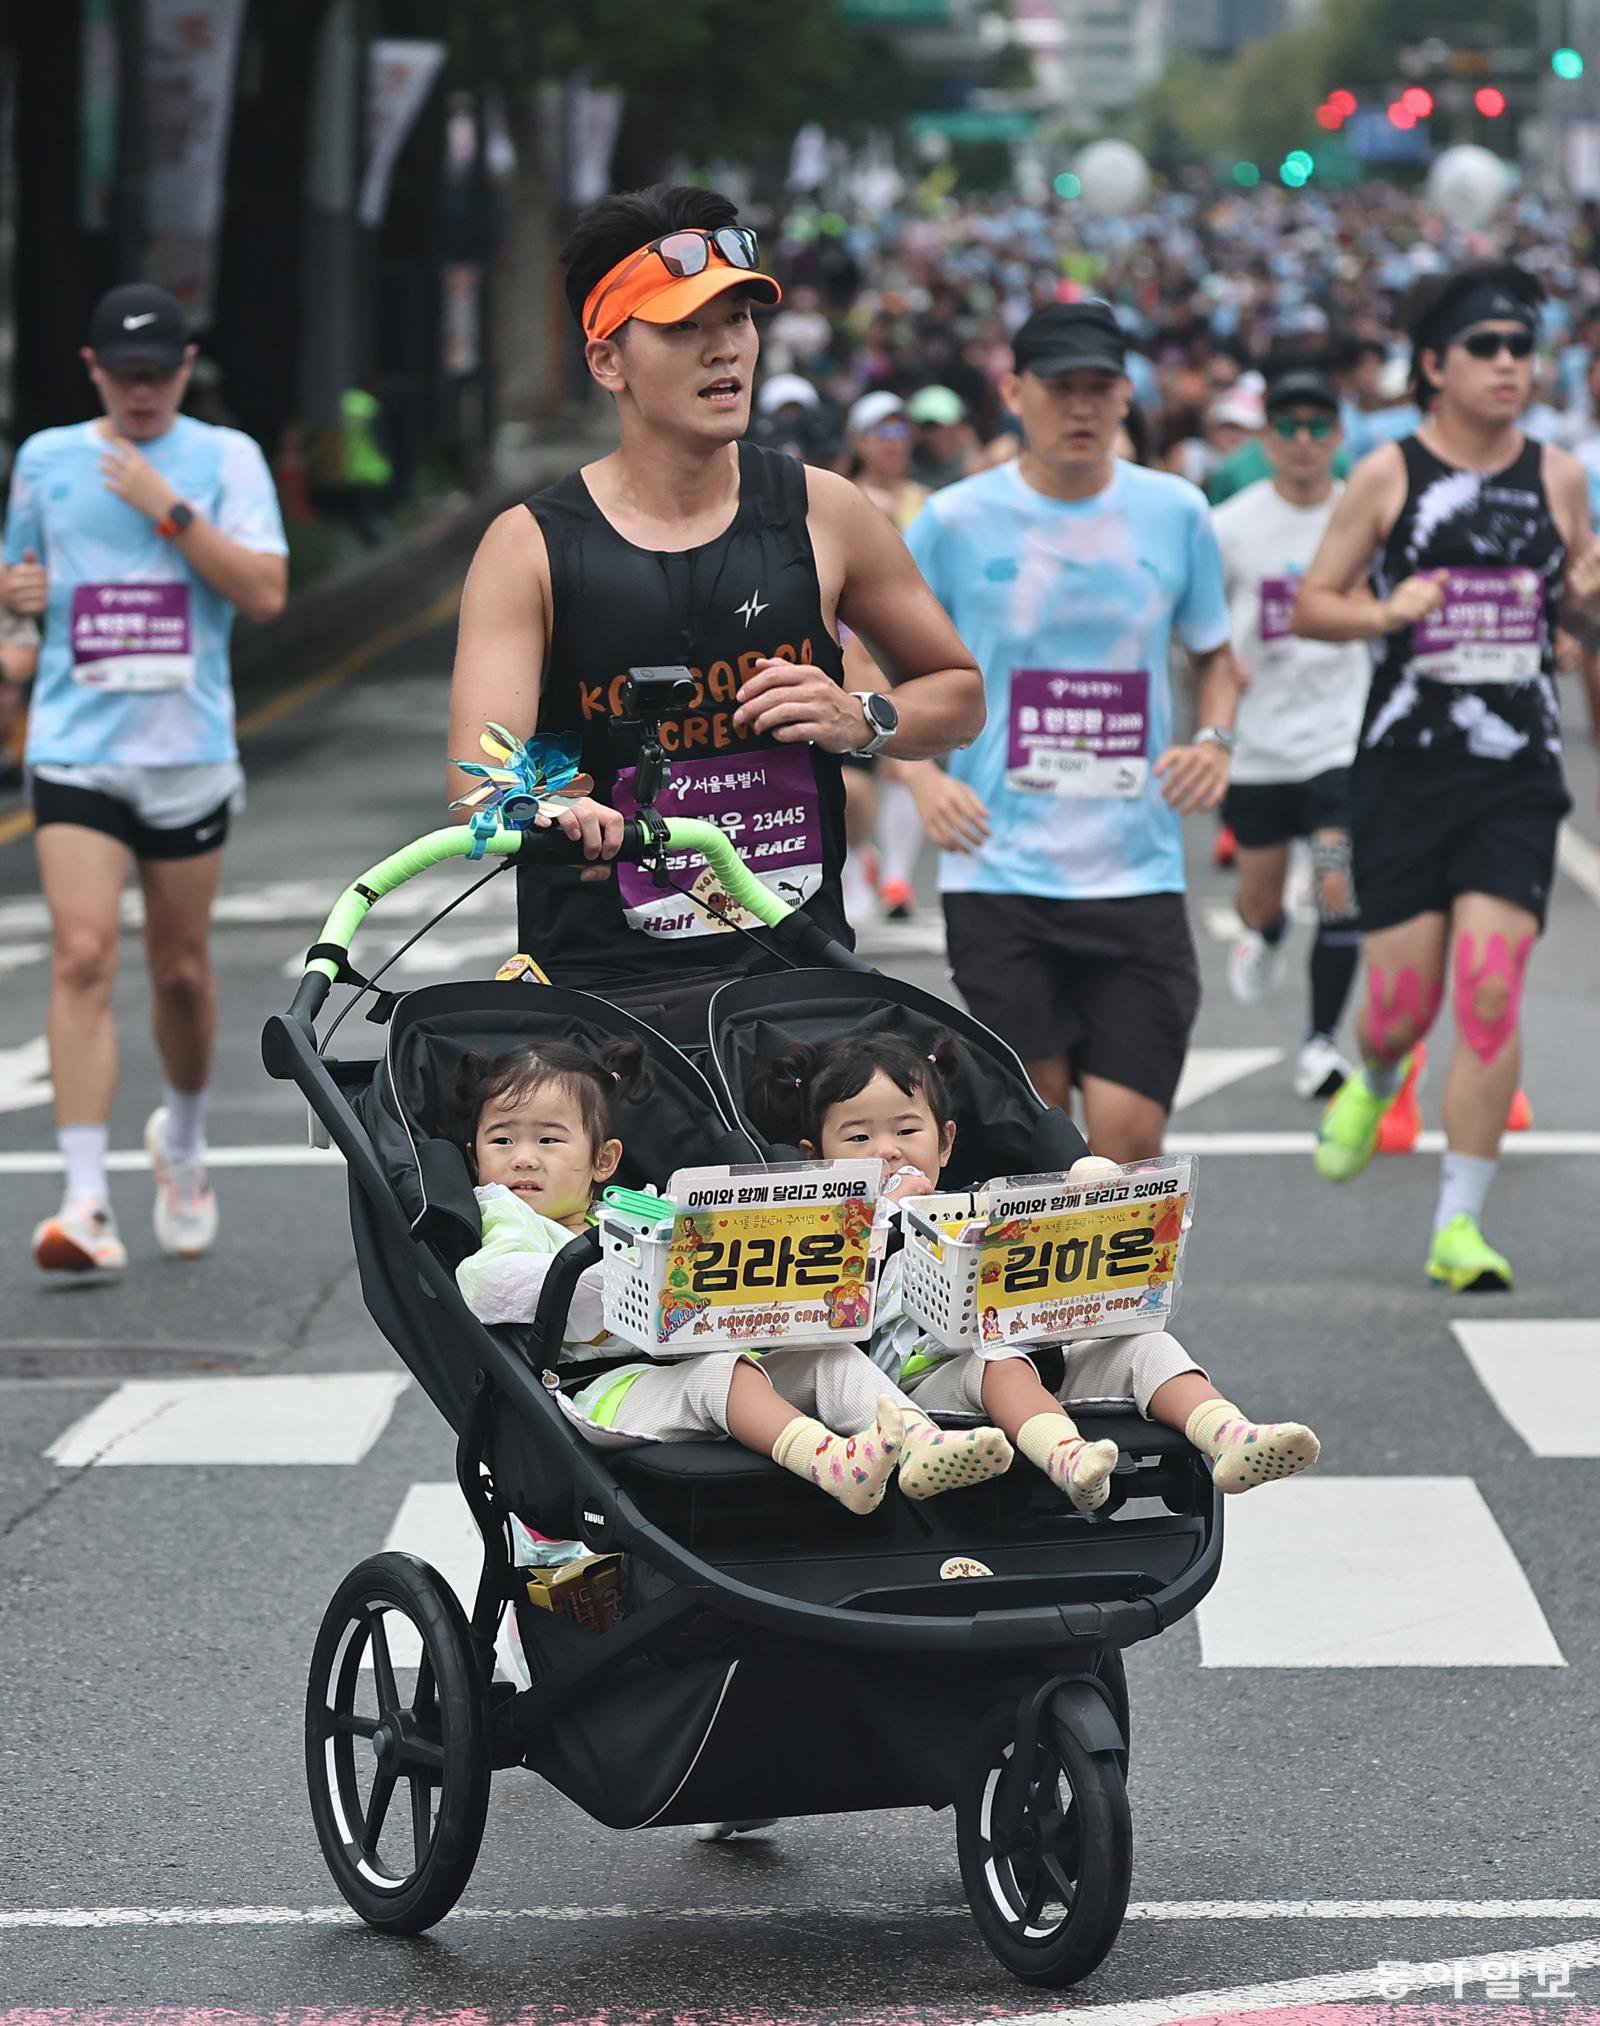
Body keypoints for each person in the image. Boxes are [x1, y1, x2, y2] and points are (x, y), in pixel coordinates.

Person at [446, 185, 983, 1027]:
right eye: (682, 329)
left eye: (735, 321)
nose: (722, 351)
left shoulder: (824, 510)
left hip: (797, 984)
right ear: (607, 362)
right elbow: (481, 777)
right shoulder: (529, 547)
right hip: (601, 1006)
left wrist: (860, 717)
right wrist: (549, 808)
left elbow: (958, 693)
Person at [1294, 260, 1600, 1291]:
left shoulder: (1558, 474)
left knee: (1487, 988)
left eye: (1522, 347)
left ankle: (1458, 1225)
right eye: (1486, 348)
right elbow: (1313, 605)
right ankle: (1375, 1072)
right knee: (1398, 1005)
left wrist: (1579, 619)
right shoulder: (1390, 473)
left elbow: (1573, 616)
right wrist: (1390, 611)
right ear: (1434, 365)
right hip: (1404, 769)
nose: (1509, 365)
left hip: (1515, 768)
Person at [895, 300, 1240, 1164]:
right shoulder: (955, 520)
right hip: (1000, 872)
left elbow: (1218, 656)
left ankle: (1116, 1308)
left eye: (1100, 388)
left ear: (1128, 397)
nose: (1081, 408)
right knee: (1039, 1152)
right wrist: (921, 779)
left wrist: (1216, 742)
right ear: (1014, 392)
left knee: (1129, 1145)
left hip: (1137, 874)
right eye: (1060, 389)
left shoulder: (1177, 511)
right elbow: (868, 666)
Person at [2, 283, 288, 1274]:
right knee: (81, 956)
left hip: (189, 752)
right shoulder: (44, 459)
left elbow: (264, 591)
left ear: (186, 364)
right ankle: (84, 1202)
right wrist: (13, 614)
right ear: (91, 369)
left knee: (180, 970)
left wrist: (168, 511)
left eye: (157, 373)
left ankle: (185, 1135)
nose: (140, 391)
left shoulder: (224, 458)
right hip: (76, 747)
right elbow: (17, 608)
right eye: (122, 375)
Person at [750, 1031, 1321, 1510]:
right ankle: (1069, 1459)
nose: (888, 1151)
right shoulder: (820, 1236)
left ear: (945, 1143)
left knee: (1147, 1345)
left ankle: (1227, 1435)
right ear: (815, 1157)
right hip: (924, 1383)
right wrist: (884, 1222)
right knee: (997, 1358)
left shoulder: (982, 1203)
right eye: (858, 1138)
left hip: (1046, 1349)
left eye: (906, 1131)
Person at [453, 1037, 1013, 1507]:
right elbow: (488, 1286)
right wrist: (615, 1272)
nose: (523, 1158)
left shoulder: (624, 1209)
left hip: (690, 1364)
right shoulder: (509, 1218)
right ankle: (829, 1462)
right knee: (723, 1371)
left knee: (825, 1354)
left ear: (603, 1161)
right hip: (602, 1390)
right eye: (502, 1140)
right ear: (477, 1156)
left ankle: (921, 1443)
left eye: (548, 1141)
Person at [1211, 369, 1369, 1100]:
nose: (1304, 442)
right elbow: (1201, 636)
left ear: (1337, 435)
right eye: (1289, 427)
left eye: (1318, 427)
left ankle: (1320, 1044)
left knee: (1339, 888)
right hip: (1261, 746)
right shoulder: (1232, 524)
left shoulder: (1361, 514)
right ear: (1267, 438)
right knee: (1260, 898)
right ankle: (1267, 932)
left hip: (1343, 739)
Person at [837, 390, 931, 923]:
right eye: (882, 433)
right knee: (851, 788)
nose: (894, 445)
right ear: (860, 441)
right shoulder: (836, 497)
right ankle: (858, 863)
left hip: (906, 656)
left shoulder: (929, 501)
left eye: (901, 433)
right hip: (850, 657)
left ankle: (896, 879)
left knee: (905, 766)